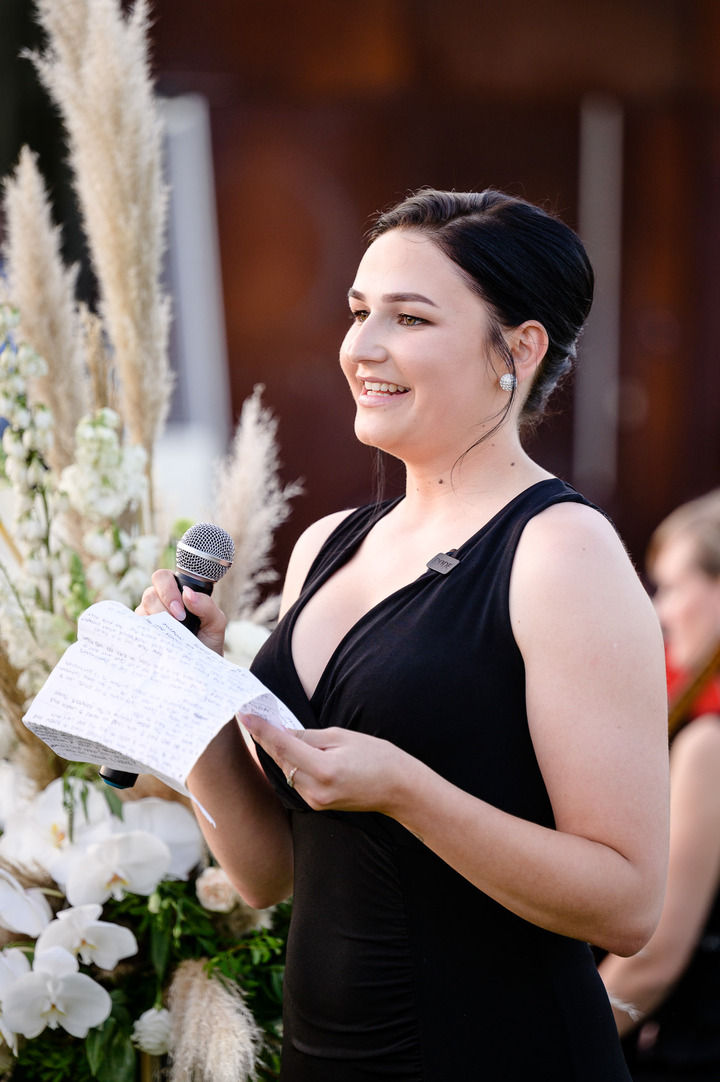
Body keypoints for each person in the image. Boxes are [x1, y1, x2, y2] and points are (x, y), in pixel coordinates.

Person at [138, 188, 670, 1080]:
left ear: (520, 348)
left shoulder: (561, 551)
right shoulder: (328, 545)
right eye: (358, 312)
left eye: (410, 317)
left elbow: (627, 905)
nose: (363, 348)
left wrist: (406, 790)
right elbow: (273, 873)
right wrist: (193, 699)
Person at [600, 489, 720, 1081]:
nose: (661, 610)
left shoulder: (710, 742)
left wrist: (553, 1048)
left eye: (673, 586)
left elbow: (656, 956)